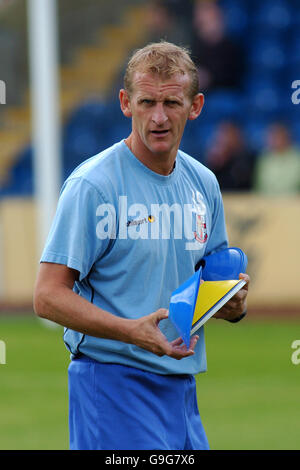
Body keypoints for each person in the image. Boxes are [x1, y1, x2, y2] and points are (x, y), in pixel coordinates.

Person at [33, 42, 250, 450]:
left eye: (172, 103)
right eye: (147, 101)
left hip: (181, 390)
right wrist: (130, 332)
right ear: (125, 103)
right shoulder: (93, 186)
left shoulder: (204, 183)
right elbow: (47, 296)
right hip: (111, 384)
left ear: (196, 105)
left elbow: (211, 284)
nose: (159, 117)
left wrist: (232, 305)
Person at [190, 1, 244, 93]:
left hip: (225, 92)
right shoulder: (196, 44)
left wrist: (209, 78)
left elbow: (234, 76)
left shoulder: (230, 45)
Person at [205, 122, 257, 191]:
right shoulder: (216, 160)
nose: (224, 139)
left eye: (228, 134)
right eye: (221, 134)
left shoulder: (247, 159)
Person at [253, 123, 300, 196]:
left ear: (287, 137)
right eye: (273, 137)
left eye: (279, 136)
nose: (276, 140)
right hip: (267, 202)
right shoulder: (264, 158)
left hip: (293, 202)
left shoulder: (297, 157)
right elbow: (258, 186)